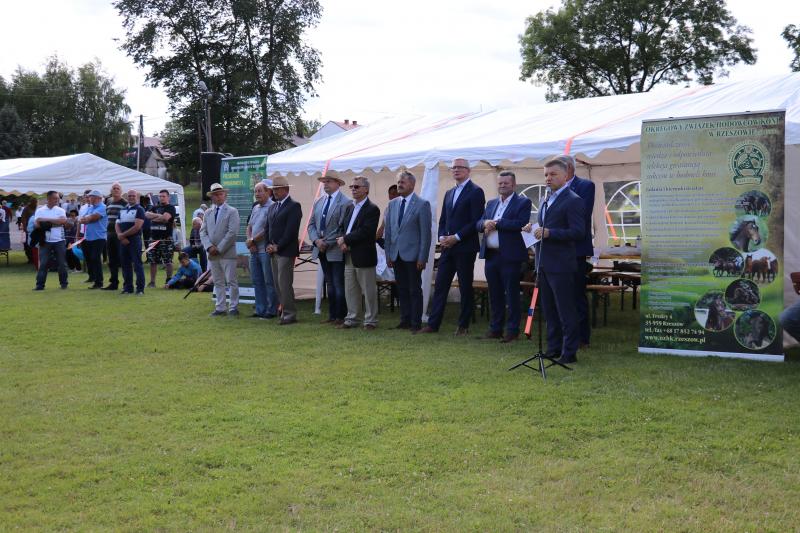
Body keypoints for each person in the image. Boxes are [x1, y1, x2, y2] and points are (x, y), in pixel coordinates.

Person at [420, 158, 486, 336]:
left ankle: (463, 325)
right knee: (441, 285)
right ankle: (433, 324)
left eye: (460, 167)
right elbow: (443, 219)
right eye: (453, 167)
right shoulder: (449, 193)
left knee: (465, 287)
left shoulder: (476, 191)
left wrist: (456, 237)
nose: (456, 170)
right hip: (447, 247)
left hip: (465, 247)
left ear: (468, 170)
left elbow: (476, 221)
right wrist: (442, 236)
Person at [533, 158, 585, 365]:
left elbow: (579, 232)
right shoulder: (545, 199)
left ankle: (569, 352)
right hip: (543, 262)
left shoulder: (573, 200)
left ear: (565, 175)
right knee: (549, 310)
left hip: (561, 264)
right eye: (546, 174)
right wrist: (534, 229)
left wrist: (550, 233)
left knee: (565, 310)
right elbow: (545, 226)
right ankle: (553, 347)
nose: (548, 178)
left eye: (553, 174)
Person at [476, 171, 532, 343]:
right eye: (500, 183)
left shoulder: (523, 202)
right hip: (491, 255)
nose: (502, 186)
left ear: (513, 185)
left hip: (510, 256)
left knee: (512, 294)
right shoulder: (491, 203)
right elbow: (479, 222)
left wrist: (497, 223)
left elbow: (521, 223)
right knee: (494, 293)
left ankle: (513, 330)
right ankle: (496, 328)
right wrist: (485, 223)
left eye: (506, 183)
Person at [383, 170, 432, 332]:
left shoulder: (422, 204)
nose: (399, 185)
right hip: (396, 254)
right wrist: (388, 254)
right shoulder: (392, 204)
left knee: (414, 290)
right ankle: (405, 320)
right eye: (398, 182)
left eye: (402, 182)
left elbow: (426, 234)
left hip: (413, 256)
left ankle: (415, 322)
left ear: (412, 184)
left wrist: (422, 257)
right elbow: (389, 232)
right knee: (402, 289)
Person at [556, 154, 596, 347]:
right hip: (557, 249)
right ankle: (565, 334)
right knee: (562, 295)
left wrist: (554, 228)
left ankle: (582, 337)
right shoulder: (553, 189)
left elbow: (582, 215)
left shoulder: (585, 186)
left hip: (576, 248)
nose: (552, 175)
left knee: (577, 294)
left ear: (569, 168)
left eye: (557, 170)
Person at [307, 170, 351, 325]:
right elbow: (311, 225)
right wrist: (316, 241)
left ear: (338, 183)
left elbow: (343, 229)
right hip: (320, 248)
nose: (325, 184)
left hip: (336, 249)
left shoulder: (346, 202)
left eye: (329, 181)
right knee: (330, 283)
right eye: (324, 182)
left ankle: (341, 315)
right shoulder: (319, 201)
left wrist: (326, 242)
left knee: (338, 283)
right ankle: (332, 315)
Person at [337, 176, 381, 330]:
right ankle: (352, 318)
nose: (353, 189)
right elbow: (343, 227)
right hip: (348, 253)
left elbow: (366, 231)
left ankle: (370, 321)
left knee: (368, 290)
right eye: (352, 187)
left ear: (366, 189)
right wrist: (343, 241)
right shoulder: (349, 207)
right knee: (350, 288)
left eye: (356, 187)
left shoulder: (372, 209)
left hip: (363, 254)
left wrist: (345, 239)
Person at [265, 176, 303, 325]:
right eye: (273, 189)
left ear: (286, 189)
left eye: (278, 189)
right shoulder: (272, 207)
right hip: (273, 251)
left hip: (286, 251)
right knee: (277, 283)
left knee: (284, 283)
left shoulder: (294, 206)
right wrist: (268, 244)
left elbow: (291, 231)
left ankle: (289, 313)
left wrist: (278, 246)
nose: (274, 192)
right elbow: (267, 228)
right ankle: (284, 311)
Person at [201, 183, 241, 317]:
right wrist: (209, 247)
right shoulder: (208, 212)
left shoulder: (232, 211)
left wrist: (219, 248)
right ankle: (220, 307)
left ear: (225, 195)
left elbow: (232, 232)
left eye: (220, 194)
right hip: (213, 254)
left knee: (231, 281)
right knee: (218, 281)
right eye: (215, 195)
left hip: (227, 253)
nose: (218, 197)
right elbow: (203, 232)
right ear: (211, 197)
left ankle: (233, 307)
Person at [245, 181, 278, 319]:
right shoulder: (256, 207)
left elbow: (267, 229)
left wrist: (253, 240)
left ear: (268, 192)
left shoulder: (273, 207)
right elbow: (249, 226)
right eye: (255, 191)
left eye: (260, 191)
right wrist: (250, 240)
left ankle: (271, 310)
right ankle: (260, 309)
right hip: (254, 250)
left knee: (269, 281)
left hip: (265, 249)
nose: (257, 194)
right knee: (257, 280)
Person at [32, 191, 68, 290]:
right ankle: (40, 285)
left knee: (62, 263)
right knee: (43, 263)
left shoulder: (61, 210)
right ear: (48, 199)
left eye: (58, 198)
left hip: (59, 240)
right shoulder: (40, 210)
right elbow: (37, 224)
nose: (57, 200)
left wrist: (45, 221)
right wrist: (55, 222)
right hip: (45, 240)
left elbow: (63, 221)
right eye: (55, 198)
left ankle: (64, 284)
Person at [116, 189, 146, 295]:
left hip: (134, 240)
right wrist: (120, 236)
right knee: (125, 265)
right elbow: (117, 224)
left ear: (137, 197)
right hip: (123, 241)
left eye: (133, 196)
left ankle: (140, 289)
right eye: (129, 196)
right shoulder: (122, 210)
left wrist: (122, 235)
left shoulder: (140, 209)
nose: (131, 197)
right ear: (126, 197)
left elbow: (137, 226)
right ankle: (128, 288)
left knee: (137, 264)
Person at [144, 189, 176, 287]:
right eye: (160, 196)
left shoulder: (171, 208)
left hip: (165, 238)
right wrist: (159, 216)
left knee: (168, 261)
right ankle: (152, 282)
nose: (161, 198)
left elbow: (165, 218)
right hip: (153, 238)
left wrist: (154, 217)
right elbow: (146, 215)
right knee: (152, 261)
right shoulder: (155, 207)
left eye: (163, 196)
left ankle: (168, 281)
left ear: (168, 197)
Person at [79, 190, 108, 289]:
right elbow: (82, 219)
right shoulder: (91, 207)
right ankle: (92, 277)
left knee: (95, 258)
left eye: (91, 196)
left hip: (99, 237)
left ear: (97, 198)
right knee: (89, 258)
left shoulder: (103, 207)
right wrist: (86, 219)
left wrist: (87, 219)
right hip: (88, 237)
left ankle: (99, 282)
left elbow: (93, 218)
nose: (89, 198)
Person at [102, 182, 127, 290]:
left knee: (123, 259)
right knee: (111, 260)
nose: (116, 190)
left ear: (121, 191)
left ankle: (127, 284)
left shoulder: (125, 203)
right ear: (111, 191)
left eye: (118, 188)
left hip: (120, 235)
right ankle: (114, 283)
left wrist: (124, 235)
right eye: (114, 188)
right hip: (110, 234)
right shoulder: (109, 202)